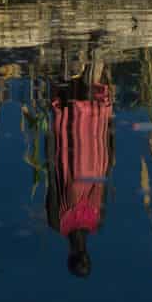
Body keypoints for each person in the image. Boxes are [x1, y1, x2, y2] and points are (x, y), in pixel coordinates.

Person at [45, 45, 114, 277]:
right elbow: (105, 180)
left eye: (79, 259)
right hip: (95, 153)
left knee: (71, 106)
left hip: (70, 157)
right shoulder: (98, 221)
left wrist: (51, 141)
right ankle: (95, 46)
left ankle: (68, 47)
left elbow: (52, 181)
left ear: (72, 257)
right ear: (87, 256)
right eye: (85, 259)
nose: (82, 255)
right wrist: (109, 141)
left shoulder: (57, 223)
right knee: (90, 101)